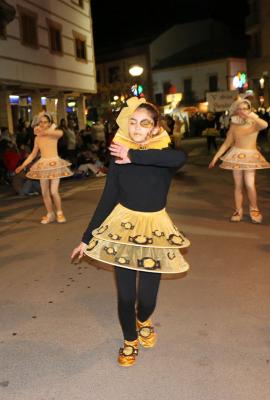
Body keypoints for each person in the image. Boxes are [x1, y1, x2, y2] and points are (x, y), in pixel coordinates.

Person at [70, 98, 189, 367]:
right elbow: (108, 197)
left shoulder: (162, 154)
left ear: (155, 128)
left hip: (155, 231)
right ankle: (129, 341)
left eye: (144, 123)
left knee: (147, 300)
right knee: (125, 295)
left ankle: (143, 319)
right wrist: (86, 237)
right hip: (122, 229)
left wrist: (134, 154)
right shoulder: (118, 154)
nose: (136, 128)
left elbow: (180, 158)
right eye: (132, 122)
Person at [209, 98, 270, 223]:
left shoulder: (255, 123)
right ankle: (238, 210)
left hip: (250, 156)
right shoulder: (234, 125)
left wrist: (252, 116)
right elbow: (226, 143)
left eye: (246, 108)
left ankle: (254, 209)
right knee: (238, 185)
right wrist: (215, 157)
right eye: (240, 108)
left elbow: (265, 125)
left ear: (250, 110)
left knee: (249, 184)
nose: (243, 111)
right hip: (236, 156)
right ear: (236, 111)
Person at [14, 112, 72, 224]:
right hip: (43, 165)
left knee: (54, 191)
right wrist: (22, 166)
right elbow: (33, 154)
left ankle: (59, 212)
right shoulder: (37, 139)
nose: (42, 124)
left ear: (50, 123)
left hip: (55, 164)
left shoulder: (54, 133)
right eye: (41, 122)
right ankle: (50, 214)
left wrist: (45, 130)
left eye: (45, 122)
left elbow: (60, 133)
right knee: (44, 192)